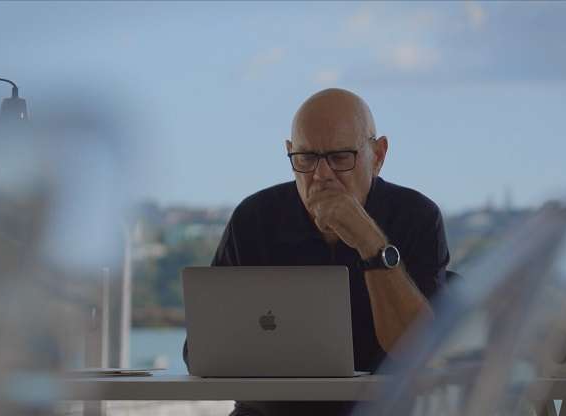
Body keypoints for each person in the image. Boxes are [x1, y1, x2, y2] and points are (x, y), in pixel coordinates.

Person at [183, 88, 450, 416]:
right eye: (306, 159)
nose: (321, 175)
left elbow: (421, 353)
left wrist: (370, 242)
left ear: (378, 156)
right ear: (289, 152)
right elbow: (203, 352)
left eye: (340, 158)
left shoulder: (416, 216)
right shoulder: (255, 218)